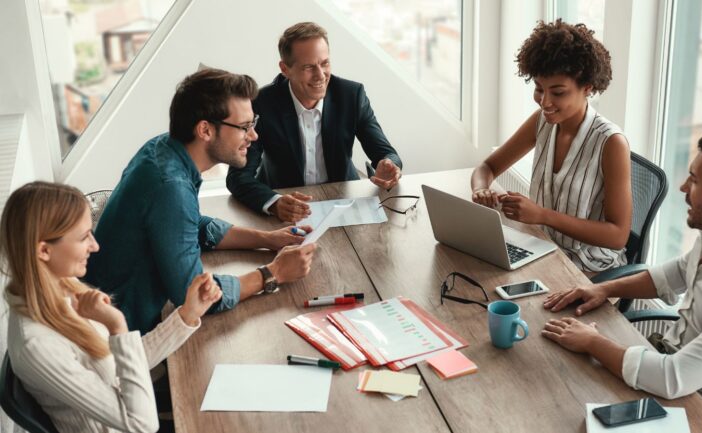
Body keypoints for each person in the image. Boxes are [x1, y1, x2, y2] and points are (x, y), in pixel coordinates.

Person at [541, 128, 702, 417]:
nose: (683, 187)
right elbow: (670, 275)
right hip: (668, 363)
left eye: (695, 180)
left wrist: (591, 342)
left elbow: (672, 378)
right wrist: (603, 289)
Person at [84, 68, 316, 335]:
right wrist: (273, 274)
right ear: (205, 129)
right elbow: (195, 294)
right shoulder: (170, 187)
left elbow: (189, 224)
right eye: (244, 127)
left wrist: (266, 239)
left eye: (253, 124)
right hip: (127, 335)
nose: (253, 136)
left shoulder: (162, 149)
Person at [2, 181, 221, 432]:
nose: (95, 246)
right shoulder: (38, 346)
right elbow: (142, 424)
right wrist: (117, 325)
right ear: (43, 250)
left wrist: (188, 314)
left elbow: (123, 365)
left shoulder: (62, 287)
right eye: (84, 237)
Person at [470, 20, 631, 273]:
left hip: (589, 269)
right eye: (538, 89)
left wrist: (543, 215)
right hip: (541, 247)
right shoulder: (542, 122)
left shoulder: (611, 143)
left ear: (587, 88)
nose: (544, 102)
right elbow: (488, 167)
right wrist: (481, 190)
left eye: (558, 92)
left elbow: (618, 236)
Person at [226, 22, 403, 223]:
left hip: (344, 202)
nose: (320, 75)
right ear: (285, 69)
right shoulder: (262, 103)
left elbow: (387, 154)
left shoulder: (351, 95)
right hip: (286, 206)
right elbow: (238, 177)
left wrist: (389, 166)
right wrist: (274, 202)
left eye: (325, 63)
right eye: (309, 67)